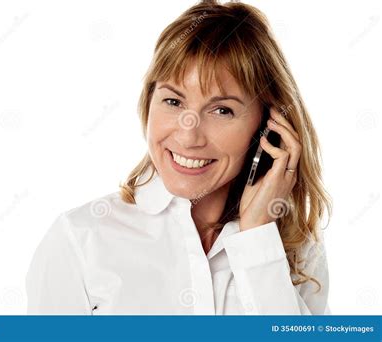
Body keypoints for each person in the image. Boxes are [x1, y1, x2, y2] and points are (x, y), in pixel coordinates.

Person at [26, 0, 332, 315]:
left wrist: (257, 240)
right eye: (173, 101)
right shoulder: (80, 239)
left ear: (267, 125)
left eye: (222, 110)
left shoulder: (297, 247)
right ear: (148, 103)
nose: (188, 135)